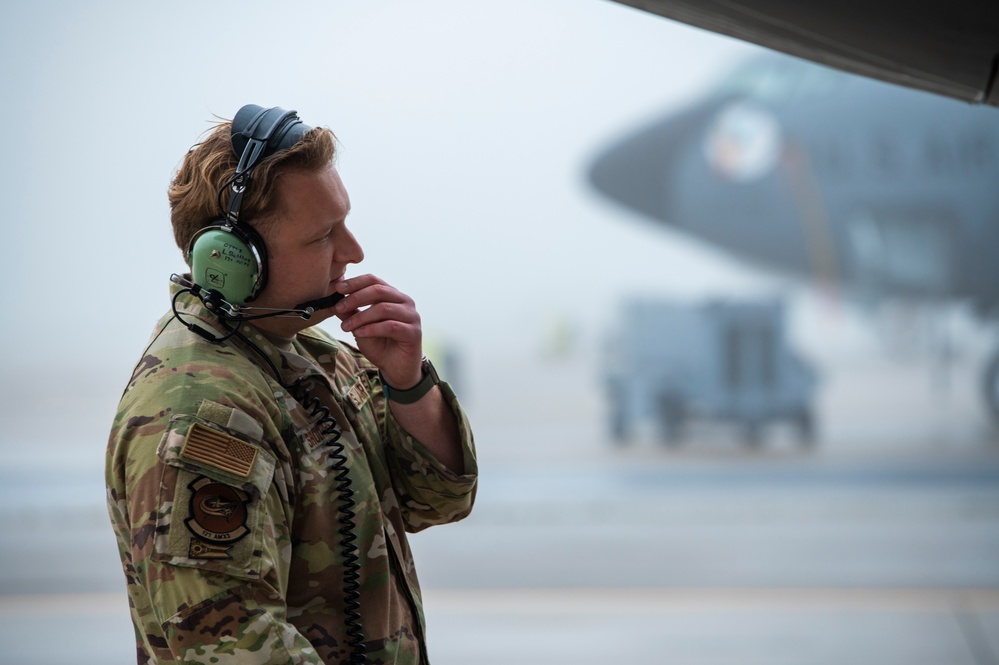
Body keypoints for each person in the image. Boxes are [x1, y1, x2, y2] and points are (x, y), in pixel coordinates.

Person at [105, 104, 478, 665]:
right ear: (232, 262)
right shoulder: (203, 412)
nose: (353, 252)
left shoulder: (311, 355)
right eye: (324, 235)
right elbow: (231, 645)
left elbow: (438, 499)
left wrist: (407, 382)